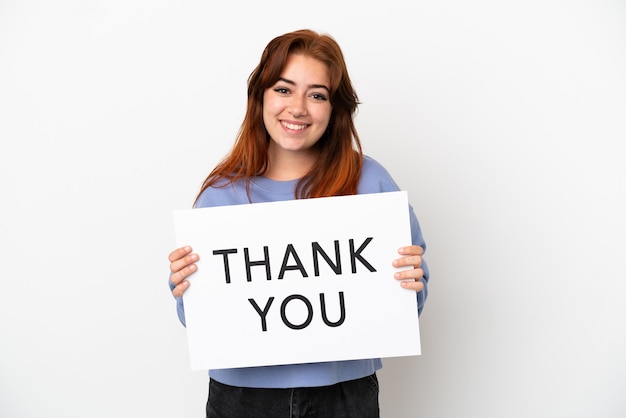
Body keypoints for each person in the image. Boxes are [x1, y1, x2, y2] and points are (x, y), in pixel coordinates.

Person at [168, 28, 429, 418]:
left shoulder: (370, 183)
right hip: (241, 396)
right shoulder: (220, 194)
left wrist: (411, 280)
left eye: (317, 94)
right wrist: (185, 286)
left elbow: (410, 299)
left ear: (334, 108)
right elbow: (201, 320)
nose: (299, 108)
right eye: (284, 89)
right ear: (260, 97)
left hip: (343, 393)